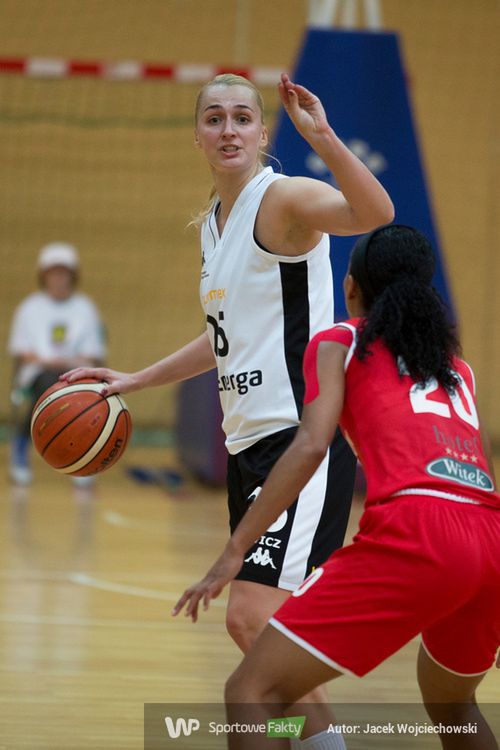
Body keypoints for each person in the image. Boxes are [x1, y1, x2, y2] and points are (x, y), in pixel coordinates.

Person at [62, 73, 394, 742]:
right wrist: (135, 380)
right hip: (249, 452)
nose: (229, 129)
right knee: (262, 634)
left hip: (299, 439)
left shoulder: (281, 199)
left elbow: (374, 215)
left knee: (249, 618)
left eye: (242, 116)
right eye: (214, 118)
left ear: (263, 132)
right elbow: (222, 339)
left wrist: (324, 138)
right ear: (197, 135)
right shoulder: (214, 229)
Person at [174, 225, 500, 750]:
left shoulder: (339, 342)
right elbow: (481, 473)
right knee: (454, 705)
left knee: (251, 693)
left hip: (418, 531)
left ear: (350, 287)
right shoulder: (457, 369)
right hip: (489, 540)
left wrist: (236, 549)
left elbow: (309, 446)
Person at [8, 242, 106, 485]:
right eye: (54, 273)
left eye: (64, 273)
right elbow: (21, 352)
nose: (59, 279)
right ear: (44, 276)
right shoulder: (29, 308)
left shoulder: (85, 308)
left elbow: (93, 354)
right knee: (48, 385)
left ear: (73, 276)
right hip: (37, 374)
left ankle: (83, 456)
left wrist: (68, 362)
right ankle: (21, 445)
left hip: (76, 373)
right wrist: (46, 361)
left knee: (77, 392)